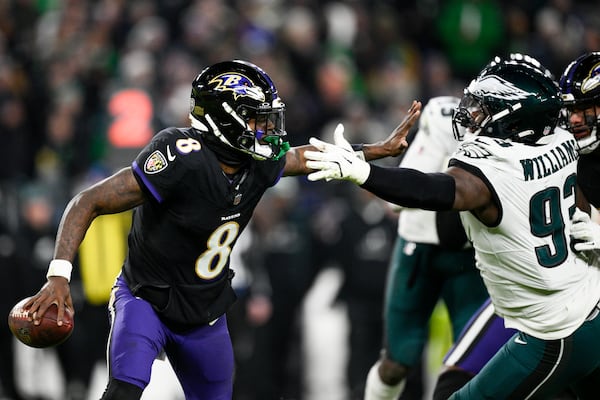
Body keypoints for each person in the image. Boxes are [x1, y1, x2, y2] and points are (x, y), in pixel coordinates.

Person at [23, 59, 422, 400]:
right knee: (124, 390)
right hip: (148, 297)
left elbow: (307, 156)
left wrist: (376, 150)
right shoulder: (180, 157)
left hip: (206, 312)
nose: (265, 127)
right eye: (254, 117)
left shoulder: (260, 161)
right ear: (222, 118)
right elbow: (87, 201)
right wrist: (58, 275)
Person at [304, 56, 600, 399]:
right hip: (586, 308)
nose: (472, 116)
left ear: (515, 117)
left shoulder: (497, 168)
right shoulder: (563, 143)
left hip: (553, 330)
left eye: (485, 109)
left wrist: (365, 173)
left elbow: (435, 190)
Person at [431, 51, 600, 400]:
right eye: (570, 108)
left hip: (583, 309)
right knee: (454, 380)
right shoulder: (552, 145)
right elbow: (448, 232)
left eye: (588, 109)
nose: (575, 119)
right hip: (542, 301)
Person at [362, 96, 488, 400]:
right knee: (396, 363)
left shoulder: (510, 140)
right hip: (419, 251)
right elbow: (395, 202)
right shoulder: (445, 121)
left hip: (469, 257)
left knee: (475, 361)